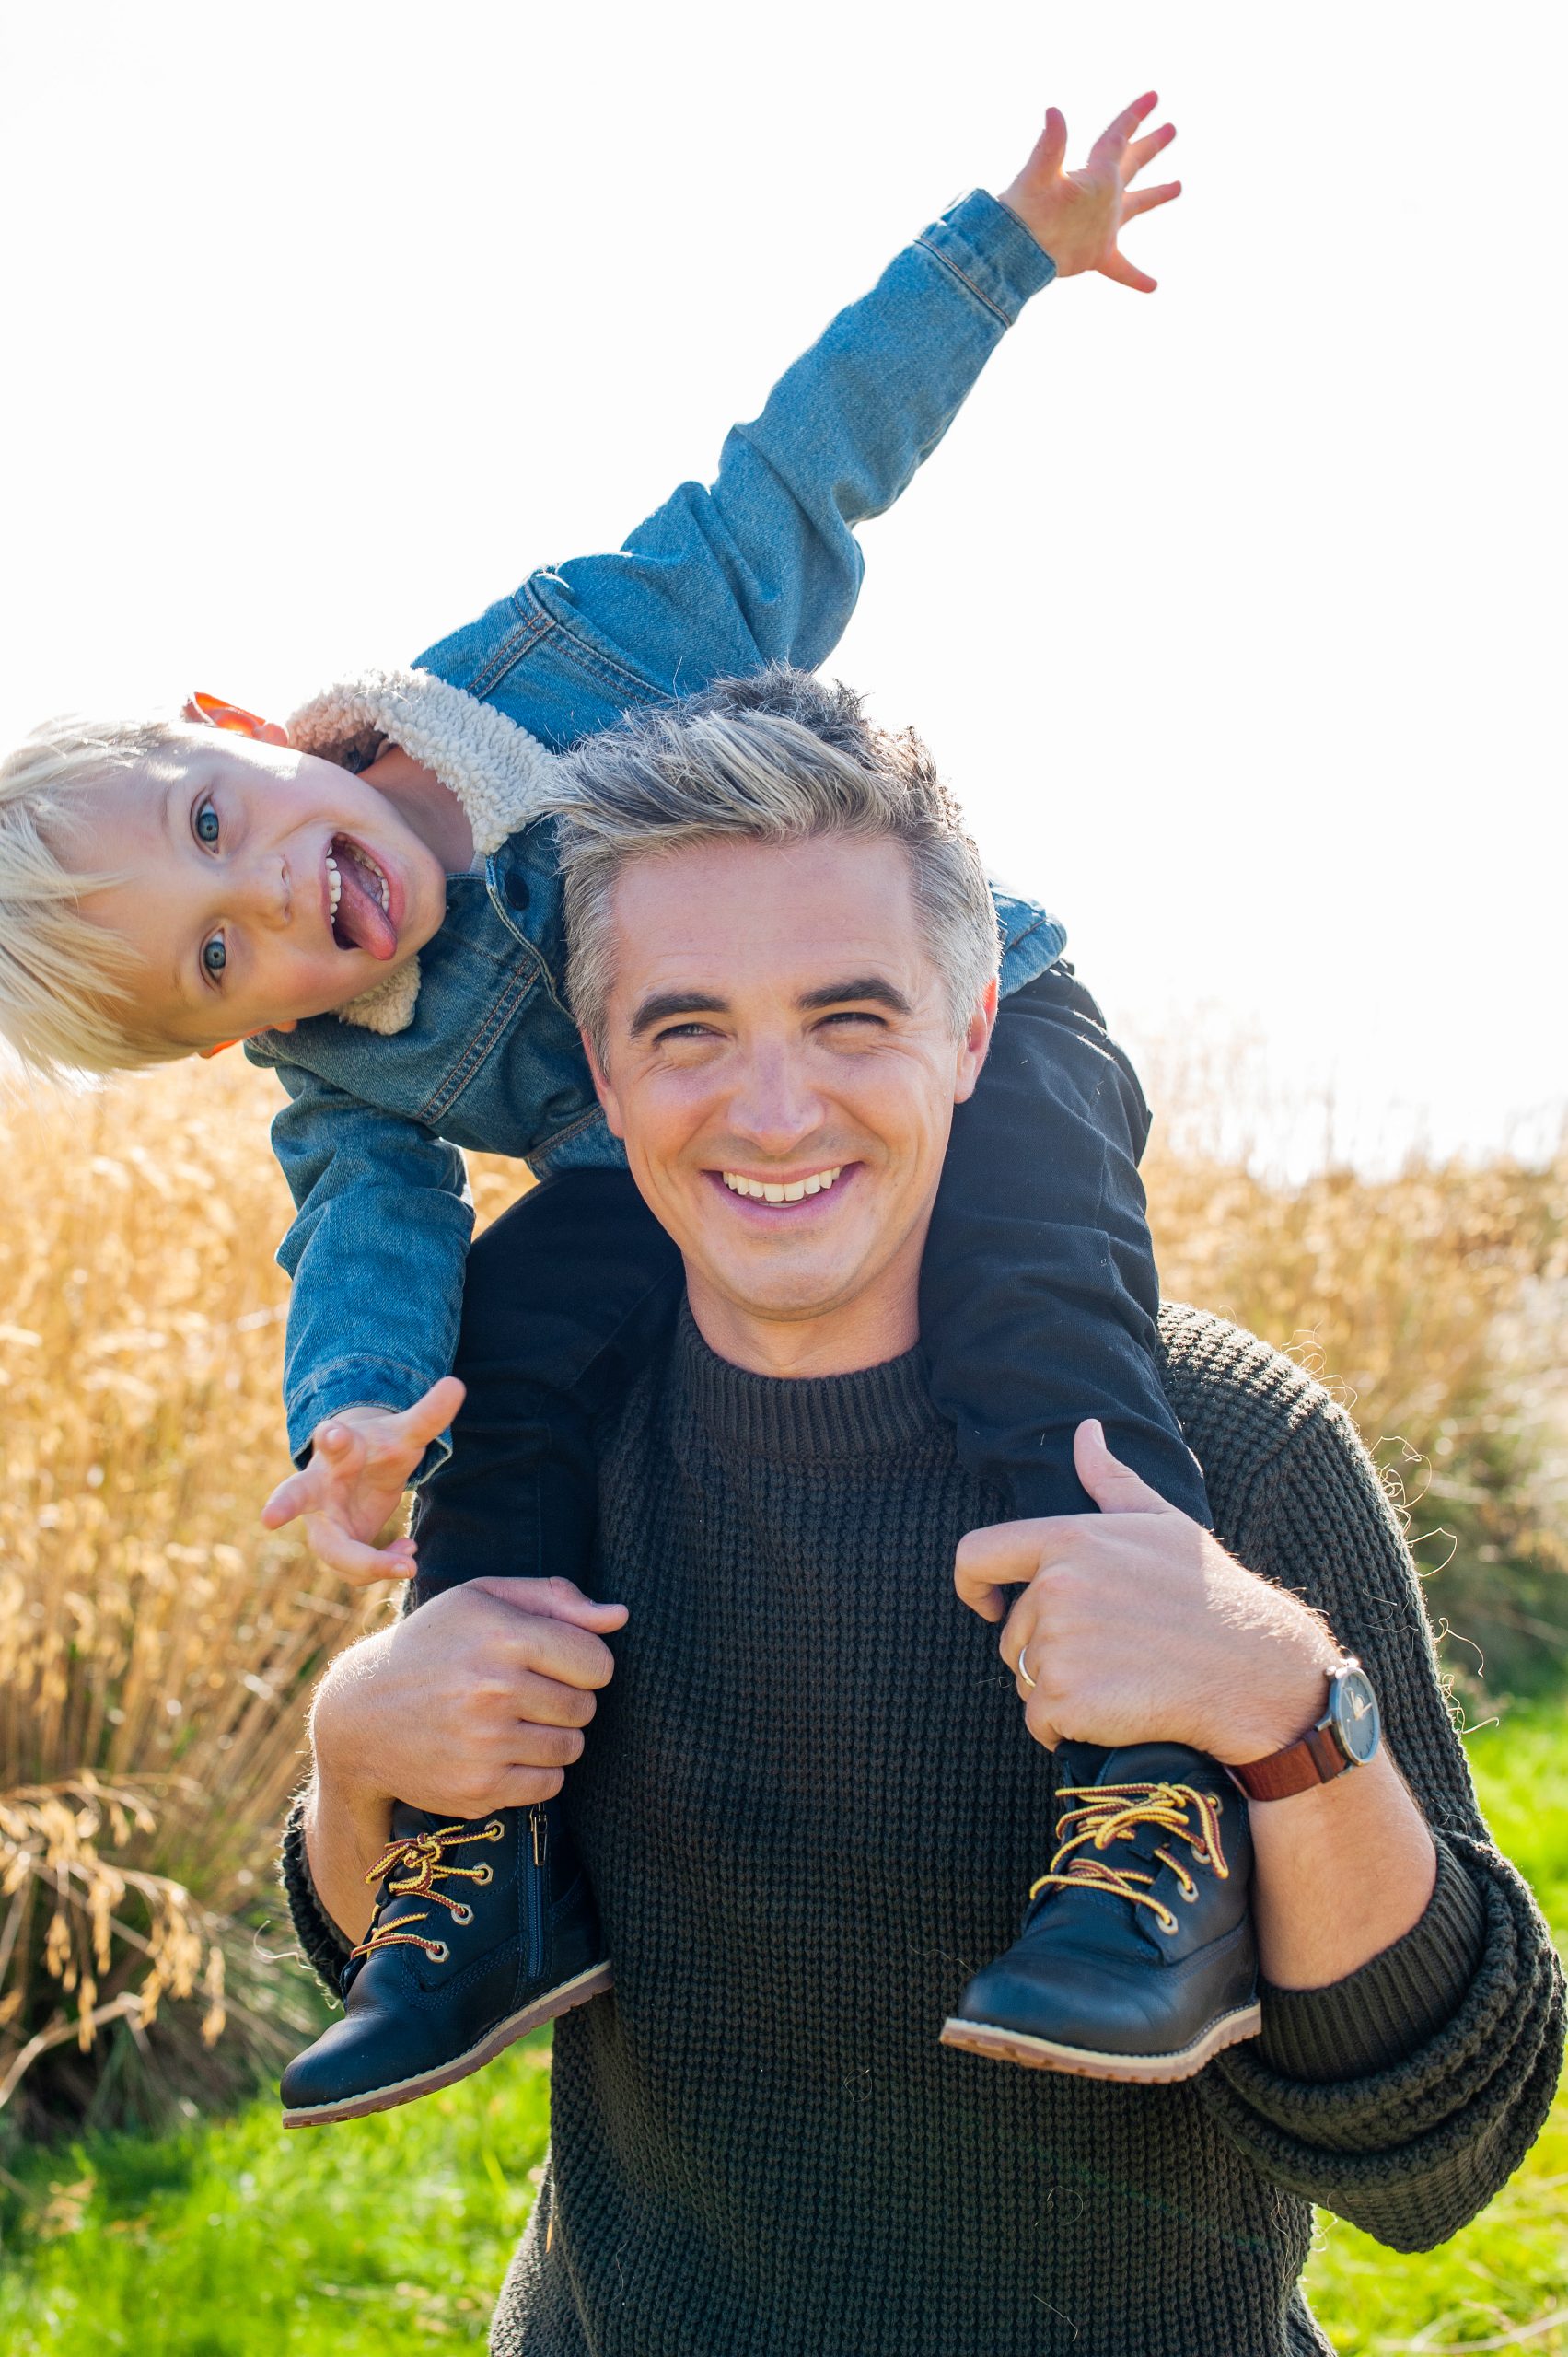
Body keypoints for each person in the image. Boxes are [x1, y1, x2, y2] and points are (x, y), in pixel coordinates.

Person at [2, 97, 1231, 2110]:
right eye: (217, 957)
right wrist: (359, 1416)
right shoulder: (347, 1066)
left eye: (224, 826)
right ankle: (486, 1876)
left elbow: (796, 477)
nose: (271, 902)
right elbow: (368, 1235)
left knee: (1041, 1311)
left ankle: (1151, 1812)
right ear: (232, 1034)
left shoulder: (576, 659)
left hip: (959, 1045)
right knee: (510, 1381)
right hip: (676, 1173)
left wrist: (1005, 246)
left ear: (240, 725)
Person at [277, 674, 1562, 2355]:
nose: (777, 1109)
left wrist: (1284, 1713)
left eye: (851, 1019)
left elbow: (1436, 2155)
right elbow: (415, 1942)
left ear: (971, 1035)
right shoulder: (538, 1447)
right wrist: (347, 1761)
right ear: (599, 1069)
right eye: (689, 1032)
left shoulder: (1223, 1449)